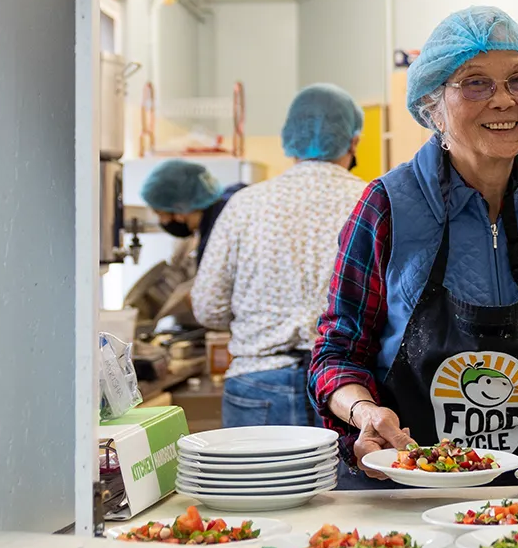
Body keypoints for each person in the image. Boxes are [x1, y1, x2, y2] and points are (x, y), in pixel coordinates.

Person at [309, 6, 518, 485]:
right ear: (433, 106)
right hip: (408, 487)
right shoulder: (386, 207)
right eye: (475, 83)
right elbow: (337, 353)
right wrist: (363, 412)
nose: (504, 100)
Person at [191, 84, 368, 427]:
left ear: (289, 139)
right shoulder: (372, 201)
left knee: (259, 467)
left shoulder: (245, 204)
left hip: (256, 379)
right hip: (345, 388)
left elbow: (208, 306)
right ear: (353, 142)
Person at [139, 158, 246, 323]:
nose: (163, 222)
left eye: (161, 214)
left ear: (180, 209)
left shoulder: (215, 236)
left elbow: (215, 304)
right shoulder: (236, 198)